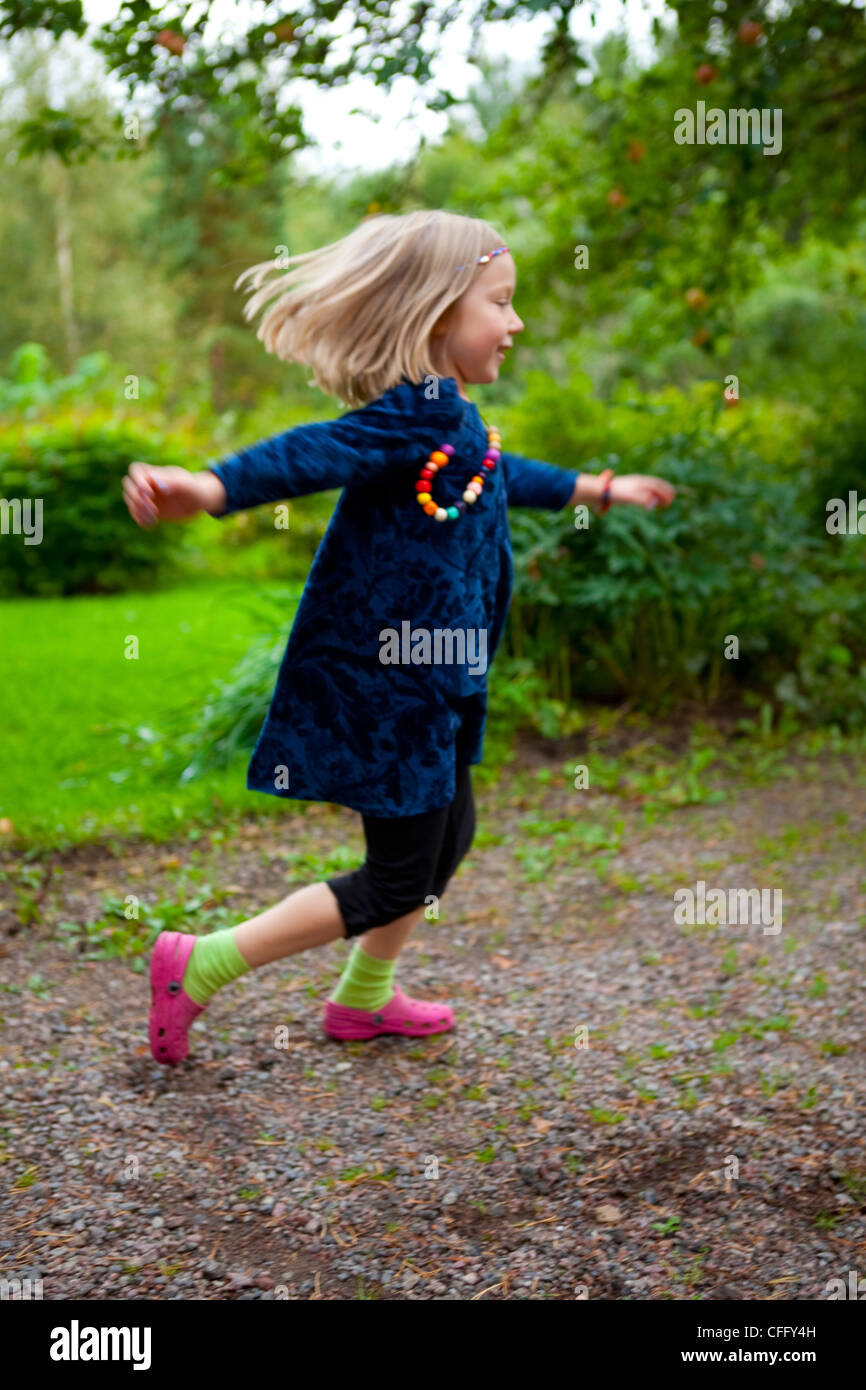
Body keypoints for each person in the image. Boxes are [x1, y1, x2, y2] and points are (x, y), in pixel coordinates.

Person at [122, 208, 675, 1066]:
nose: (516, 322)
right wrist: (210, 485)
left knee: (446, 837)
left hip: (440, 679)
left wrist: (599, 488)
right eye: (501, 301)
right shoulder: (410, 415)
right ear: (438, 311)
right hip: (395, 684)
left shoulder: (449, 416)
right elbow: (315, 452)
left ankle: (365, 1000)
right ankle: (199, 963)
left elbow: (502, 471)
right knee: (397, 875)